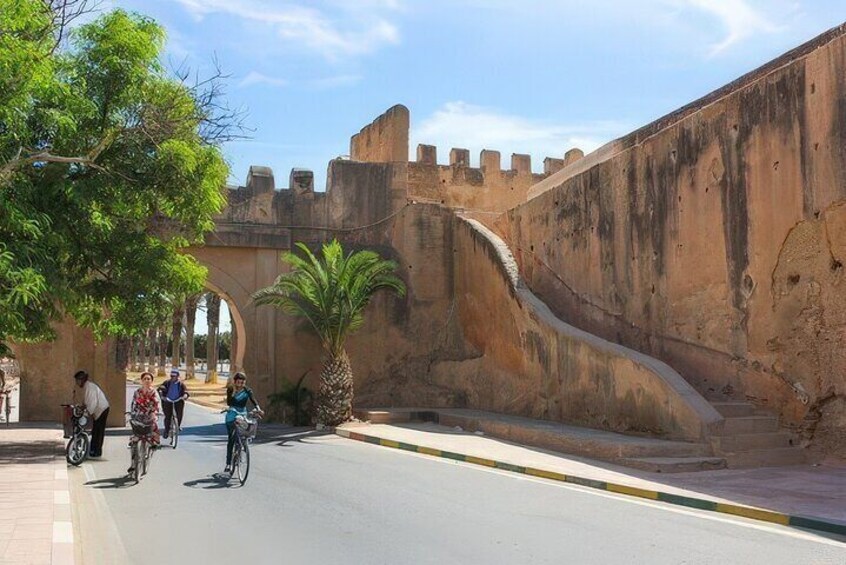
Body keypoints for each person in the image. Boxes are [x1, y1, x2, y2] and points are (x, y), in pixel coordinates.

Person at [224, 372, 263, 474]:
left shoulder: (247, 390)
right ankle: (228, 463)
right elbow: (229, 402)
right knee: (231, 439)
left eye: (242, 382)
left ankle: (241, 447)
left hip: (242, 413)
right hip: (232, 413)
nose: (240, 384)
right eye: (238, 382)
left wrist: (258, 408)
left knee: (243, 433)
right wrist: (233, 395)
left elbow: (253, 399)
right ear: (235, 382)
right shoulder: (231, 389)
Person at [128, 372, 162, 474]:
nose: (147, 381)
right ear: (141, 381)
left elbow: (157, 405)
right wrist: (132, 413)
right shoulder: (137, 392)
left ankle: (150, 449)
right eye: (145, 379)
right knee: (134, 440)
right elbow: (133, 404)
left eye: (149, 379)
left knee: (152, 436)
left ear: (151, 381)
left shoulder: (154, 393)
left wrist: (154, 414)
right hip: (139, 417)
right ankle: (133, 464)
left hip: (150, 417)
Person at [73, 370, 110, 457]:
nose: (77, 383)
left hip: (102, 409)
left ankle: (96, 451)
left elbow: (92, 402)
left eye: (78, 380)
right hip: (98, 410)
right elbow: (86, 402)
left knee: (98, 431)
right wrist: (82, 408)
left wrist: (86, 413)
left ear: (82, 379)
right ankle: (93, 449)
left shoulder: (90, 387)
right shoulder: (87, 386)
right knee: (95, 430)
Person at [157, 369, 189, 438]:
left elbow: (185, 391)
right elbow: (160, 388)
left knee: (179, 414)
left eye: (174, 376)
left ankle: (178, 426)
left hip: (178, 401)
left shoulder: (181, 384)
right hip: (168, 401)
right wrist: (162, 396)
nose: (172, 377)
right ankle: (166, 430)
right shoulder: (167, 382)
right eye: (171, 376)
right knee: (168, 416)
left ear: (177, 376)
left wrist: (185, 396)